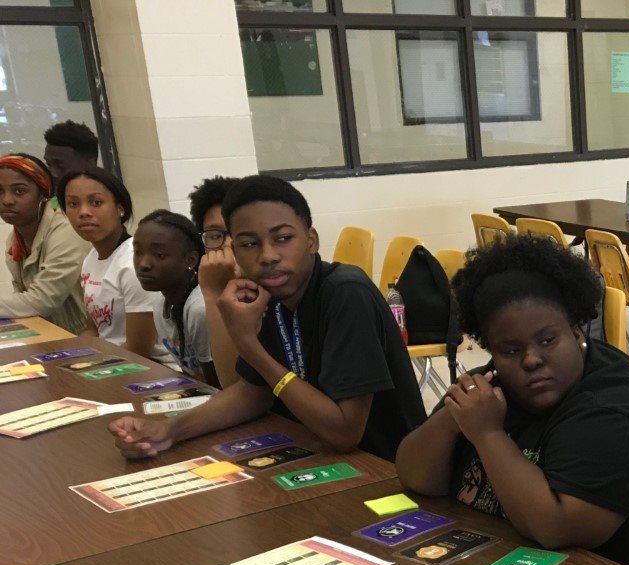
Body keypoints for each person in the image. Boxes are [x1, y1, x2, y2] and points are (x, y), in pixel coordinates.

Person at [395, 233, 629, 565]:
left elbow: (555, 529)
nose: (531, 360)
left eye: (547, 340)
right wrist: (454, 418)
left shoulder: (621, 409)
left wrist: (487, 433)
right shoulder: (492, 388)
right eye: (510, 350)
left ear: (577, 332)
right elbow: (416, 476)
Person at [108, 174, 424, 462]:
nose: (268, 255)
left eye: (283, 238)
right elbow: (252, 392)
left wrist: (249, 345)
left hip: (384, 467)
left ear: (311, 240)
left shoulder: (345, 292)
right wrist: (169, 431)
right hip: (315, 451)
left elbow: (344, 432)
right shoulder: (268, 293)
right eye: (249, 244)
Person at [61, 166, 161, 358]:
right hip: (109, 360)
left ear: (120, 208)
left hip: (151, 371)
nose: (83, 212)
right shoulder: (91, 258)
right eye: (73, 204)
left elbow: (138, 350)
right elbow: (94, 328)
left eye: (96, 202)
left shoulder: (133, 264)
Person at [0, 153, 87, 332]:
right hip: (53, 333)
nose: (6, 200)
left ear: (43, 193)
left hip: (88, 336)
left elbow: (42, 300)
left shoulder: (65, 229)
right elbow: (23, 302)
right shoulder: (15, 239)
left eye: (19, 191)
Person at [133, 209, 213, 384]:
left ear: (190, 260)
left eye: (159, 255)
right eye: (138, 252)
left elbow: (216, 385)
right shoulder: (160, 302)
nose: (143, 264)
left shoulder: (200, 308)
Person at [188, 175, 241, 386]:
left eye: (237, 232)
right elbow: (230, 385)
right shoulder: (206, 292)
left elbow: (234, 384)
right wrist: (214, 294)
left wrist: (215, 293)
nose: (228, 244)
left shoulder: (279, 288)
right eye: (214, 235)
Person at [42, 120, 99, 187]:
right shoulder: (47, 195)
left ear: (91, 164)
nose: (53, 174)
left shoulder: (109, 196)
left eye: (61, 166)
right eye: (48, 165)